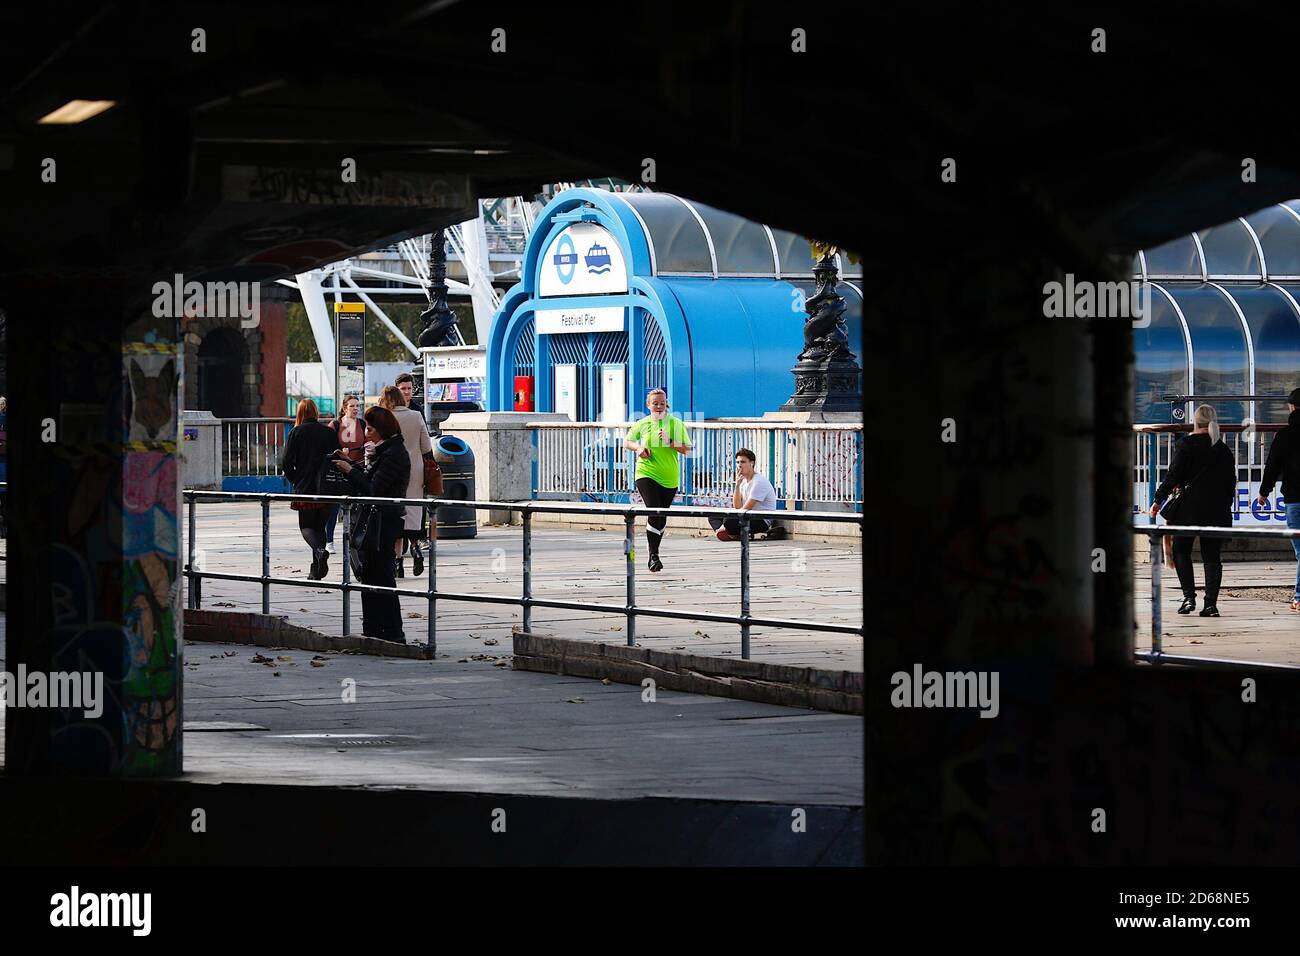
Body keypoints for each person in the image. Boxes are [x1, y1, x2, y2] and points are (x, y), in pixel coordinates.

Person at [331, 406, 410, 643]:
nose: (368, 431)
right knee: (370, 575)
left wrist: (349, 471)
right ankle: (373, 628)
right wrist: (349, 464)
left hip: (384, 521)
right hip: (377, 520)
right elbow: (371, 480)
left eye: (372, 427)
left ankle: (392, 631)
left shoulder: (394, 453)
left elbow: (374, 489)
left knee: (383, 576)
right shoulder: (385, 451)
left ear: (383, 428)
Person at [1150, 403, 1235, 617]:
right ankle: (1210, 604)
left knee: (1181, 550)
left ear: (1195, 421)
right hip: (1216, 509)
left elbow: (1173, 475)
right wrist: (1225, 505)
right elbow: (1230, 483)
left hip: (1188, 510)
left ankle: (1189, 598)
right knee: (1212, 555)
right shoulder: (1222, 449)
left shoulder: (1186, 445)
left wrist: (1158, 500)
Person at [623, 388, 692, 573]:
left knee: (661, 516)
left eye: (662, 403)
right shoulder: (643, 423)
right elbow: (627, 441)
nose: (659, 406)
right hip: (646, 473)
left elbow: (687, 449)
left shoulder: (675, 423)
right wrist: (638, 449)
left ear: (666, 404)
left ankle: (653, 549)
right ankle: (654, 556)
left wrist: (671, 442)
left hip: (669, 477)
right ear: (648, 405)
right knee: (654, 510)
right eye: (655, 403)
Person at [280, 399, 342, 580]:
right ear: (316, 412)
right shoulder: (329, 432)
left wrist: (295, 480)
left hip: (305, 486)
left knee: (306, 526)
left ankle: (320, 552)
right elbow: (337, 456)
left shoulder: (296, 433)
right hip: (327, 487)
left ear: (299, 413)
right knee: (319, 528)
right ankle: (315, 569)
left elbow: (286, 462)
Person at [379, 385, 433, 577]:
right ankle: (416, 546)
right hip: (415, 469)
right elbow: (426, 446)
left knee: (395, 514)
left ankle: (397, 563)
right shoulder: (416, 416)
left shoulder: (385, 417)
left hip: (392, 468)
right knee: (412, 512)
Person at [1258, 386, 1300, 611]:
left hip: (1295, 498)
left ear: (1291, 407)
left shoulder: (1284, 436)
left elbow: (1272, 467)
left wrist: (1264, 492)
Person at [709, 448, 786, 541]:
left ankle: (727, 532)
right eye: (737, 462)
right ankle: (728, 533)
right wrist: (737, 485)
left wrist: (729, 519)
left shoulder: (759, 482)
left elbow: (746, 508)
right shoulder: (743, 481)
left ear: (751, 463)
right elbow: (737, 506)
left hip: (760, 520)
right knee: (713, 515)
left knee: (729, 520)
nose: (739, 465)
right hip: (747, 515)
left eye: (743, 462)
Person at [322, 393, 366, 552]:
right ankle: (329, 541)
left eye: (357, 405)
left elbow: (368, 441)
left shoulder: (362, 423)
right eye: (352, 406)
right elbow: (327, 445)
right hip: (338, 468)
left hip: (357, 468)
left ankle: (354, 540)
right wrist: (339, 451)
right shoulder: (335, 424)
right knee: (334, 507)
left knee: (357, 507)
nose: (356, 409)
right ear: (344, 408)